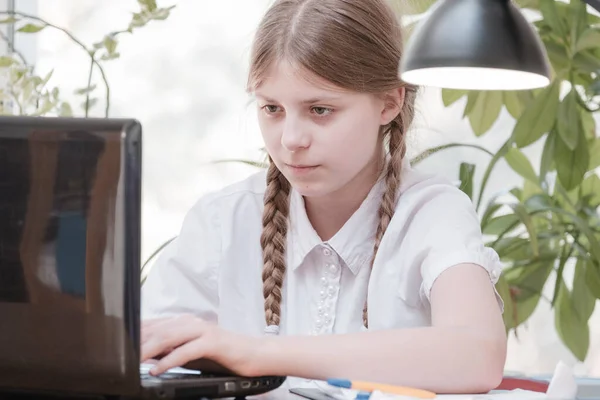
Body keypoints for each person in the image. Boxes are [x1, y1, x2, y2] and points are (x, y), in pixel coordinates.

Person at [141, 0, 507, 393]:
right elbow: (135, 351)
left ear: (390, 101)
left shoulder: (432, 214)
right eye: (272, 108)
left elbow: (478, 354)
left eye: (319, 109)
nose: (291, 140)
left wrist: (258, 353)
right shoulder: (222, 221)